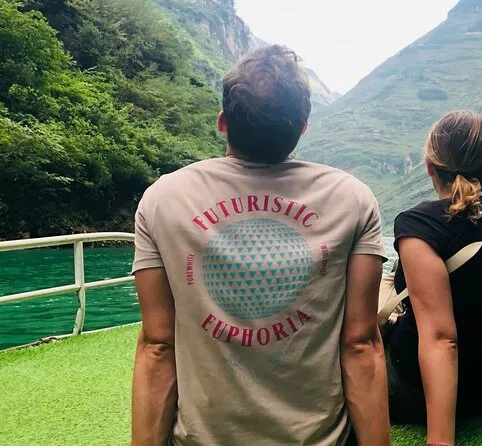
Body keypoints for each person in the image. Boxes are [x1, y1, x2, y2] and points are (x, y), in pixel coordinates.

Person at [131, 45, 391, 446]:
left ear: (222, 122)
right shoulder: (352, 198)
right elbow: (361, 345)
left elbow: (157, 346)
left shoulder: (163, 199)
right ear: (302, 127)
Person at [384, 110, 482, 446]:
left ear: (429, 166)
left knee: (357, 346)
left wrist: (440, 440)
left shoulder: (417, 224)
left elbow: (442, 339)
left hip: (414, 391)